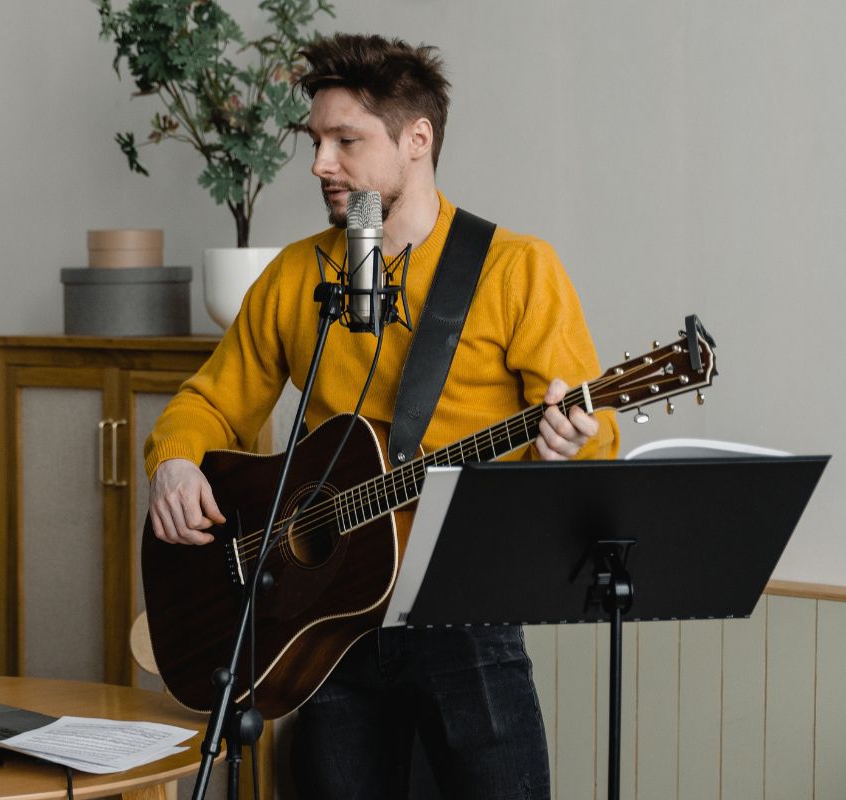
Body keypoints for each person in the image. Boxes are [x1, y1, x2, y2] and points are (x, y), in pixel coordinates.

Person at [144, 33, 619, 799]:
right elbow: (209, 400)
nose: (319, 163)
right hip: (323, 626)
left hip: (465, 613)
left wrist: (573, 442)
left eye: (346, 141)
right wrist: (173, 459)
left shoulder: (517, 269)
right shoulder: (297, 275)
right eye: (316, 141)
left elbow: (594, 444)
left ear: (416, 140)